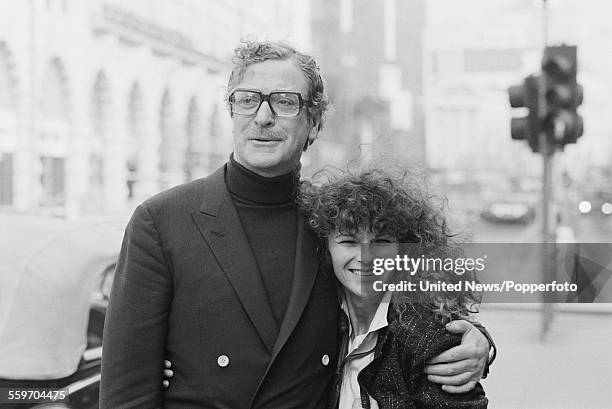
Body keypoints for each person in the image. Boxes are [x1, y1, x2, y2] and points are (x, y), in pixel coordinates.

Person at [100, 40, 493, 409]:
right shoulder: (161, 220)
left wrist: (474, 342)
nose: (263, 117)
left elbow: (399, 310)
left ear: (314, 124)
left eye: (285, 102)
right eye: (248, 100)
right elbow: (126, 388)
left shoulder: (334, 222)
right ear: (232, 113)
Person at [298, 169, 489, 408]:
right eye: (348, 241)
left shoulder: (426, 335)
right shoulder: (319, 317)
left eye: (382, 241)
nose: (366, 257)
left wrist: (479, 341)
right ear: (326, 248)